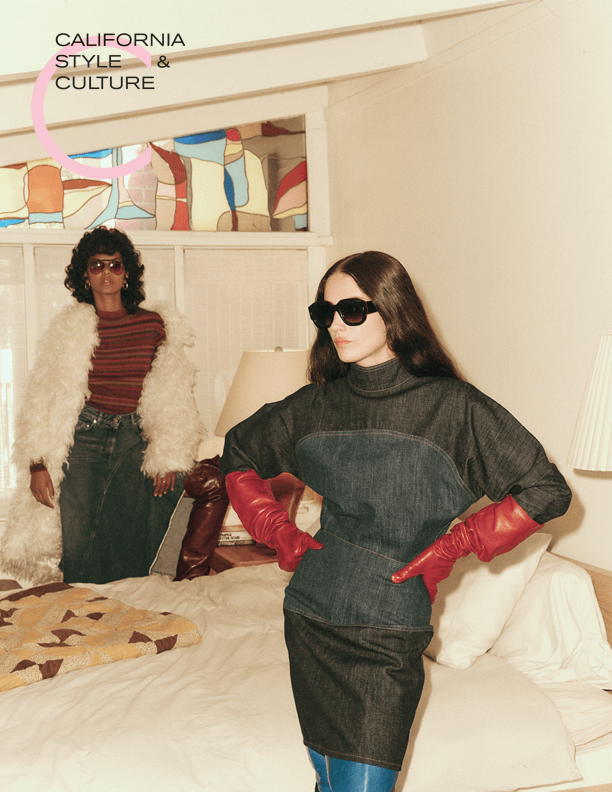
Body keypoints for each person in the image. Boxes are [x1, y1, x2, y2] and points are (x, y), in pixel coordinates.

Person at [220, 251, 572, 792]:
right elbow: (239, 450)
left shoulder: (453, 407)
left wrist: (455, 546)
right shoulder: (315, 404)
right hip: (312, 616)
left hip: (388, 628)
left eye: (353, 311)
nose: (336, 324)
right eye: (325, 312)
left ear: (392, 311)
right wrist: (277, 532)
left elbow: (547, 491)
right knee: (328, 780)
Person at [0, 227, 204, 587]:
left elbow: (172, 392)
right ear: (84, 274)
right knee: (80, 539)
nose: (106, 273)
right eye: (97, 265)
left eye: (115, 265)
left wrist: (168, 455)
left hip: (132, 438)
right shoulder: (70, 328)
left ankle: (130, 615)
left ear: (127, 274)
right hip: (84, 440)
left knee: (130, 534)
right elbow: (43, 397)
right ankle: (86, 618)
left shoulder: (153, 325)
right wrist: (37, 463)